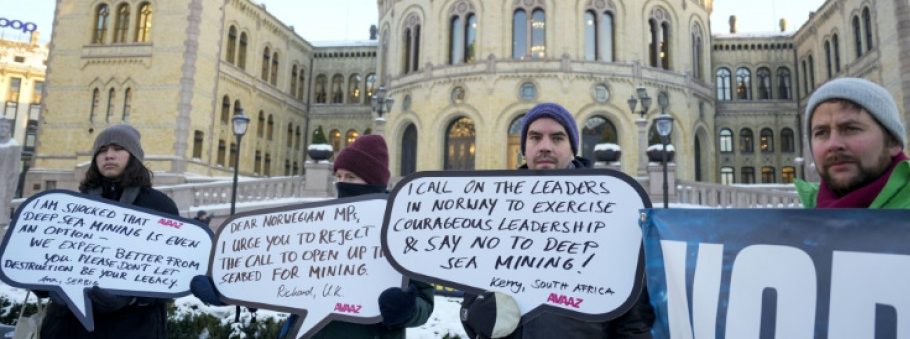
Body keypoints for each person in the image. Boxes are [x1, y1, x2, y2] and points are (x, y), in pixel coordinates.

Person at [192, 134, 435, 339]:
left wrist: (407, 309)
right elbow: (273, 273)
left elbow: (425, 301)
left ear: (372, 183)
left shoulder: (405, 229)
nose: (342, 183)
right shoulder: (318, 227)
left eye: (351, 177)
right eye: (338, 176)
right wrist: (226, 289)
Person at [460, 102, 654, 338]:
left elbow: (634, 320)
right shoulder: (494, 212)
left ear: (573, 149)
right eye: (535, 137)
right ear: (524, 149)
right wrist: (479, 311)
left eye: (557, 138)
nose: (545, 147)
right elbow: (471, 308)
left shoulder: (610, 213)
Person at [40, 124, 180, 339]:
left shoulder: (158, 206)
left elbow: (171, 270)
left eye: (117, 149)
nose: (109, 155)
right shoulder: (71, 205)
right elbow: (47, 258)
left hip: (133, 327)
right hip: (68, 326)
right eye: (102, 151)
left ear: (133, 157)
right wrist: (45, 285)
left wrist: (133, 298)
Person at [795, 77, 910, 209]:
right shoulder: (805, 220)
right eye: (821, 133)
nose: (833, 144)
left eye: (850, 129)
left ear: (892, 141)